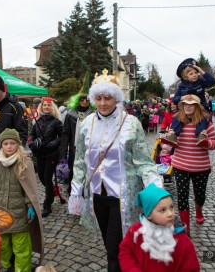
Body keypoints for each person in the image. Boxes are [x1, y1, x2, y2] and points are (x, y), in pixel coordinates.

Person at [69, 69, 162, 272]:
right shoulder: (86, 124)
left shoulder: (131, 124)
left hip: (122, 196)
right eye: (99, 98)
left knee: (114, 250)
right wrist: (75, 191)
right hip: (96, 195)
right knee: (109, 244)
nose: (103, 103)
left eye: (108, 98)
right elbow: (79, 162)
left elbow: (143, 161)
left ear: (116, 98)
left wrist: (155, 189)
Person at [0, 128, 44, 272]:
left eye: (12, 143)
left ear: (18, 144)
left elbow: (28, 189)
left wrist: (30, 205)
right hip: (0, 213)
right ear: (1, 145)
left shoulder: (24, 162)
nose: (9, 146)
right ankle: (7, 265)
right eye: (5, 143)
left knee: (21, 246)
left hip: (19, 213)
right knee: (2, 244)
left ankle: (22, 269)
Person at [167, 94, 215, 236]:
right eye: (185, 104)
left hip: (200, 167)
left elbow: (214, 143)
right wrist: (169, 140)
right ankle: (186, 228)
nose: (188, 106)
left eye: (191, 104)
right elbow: (171, 139)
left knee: (200, 195)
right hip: (180, 165)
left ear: (197, 106)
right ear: (182, 106)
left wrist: (206, 143)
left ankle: (199, 210)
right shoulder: (176, 122)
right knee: (182, 196)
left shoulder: (206, 123)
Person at [119, 184, 200, 271]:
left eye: (171, 207)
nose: (170, 214)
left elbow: (191, 268)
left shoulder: (182, 240)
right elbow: (126, 251)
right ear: (149, 214)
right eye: (162, 210)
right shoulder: (136, 231)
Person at [0, 75, 27, 190]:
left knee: (4, 190)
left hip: (7, 157)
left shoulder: (14, 106)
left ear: (2, 88)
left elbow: (22, 132)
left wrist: (16, 154)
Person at [165, 58, 215, 147]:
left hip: (201, 108)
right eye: (191, 73)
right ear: (185, 76)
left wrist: (201, 71)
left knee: (204, 118)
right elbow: (175, 100)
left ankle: (201, 136)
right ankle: (173, 135)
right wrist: (182, 97)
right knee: (176, 117)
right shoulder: (181, 86)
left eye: (196, 73)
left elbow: (212, 81)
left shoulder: (201, 82)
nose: (194, 75)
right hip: (186, 110)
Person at [28, 97, 63, 218]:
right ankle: (52, 190)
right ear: (41, 107)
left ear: (52, 107)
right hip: (40, 153)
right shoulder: (38, 120)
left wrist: (53, 143)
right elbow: (32, 134)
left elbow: (61, 137)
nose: (46, 107)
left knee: (47, 178)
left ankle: (47, 204)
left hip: (51, 154)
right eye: (44, 105)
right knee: (41, 176)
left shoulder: (57, 122)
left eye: (49, 105)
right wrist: (32, 143)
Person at [60, 92, 94, 195]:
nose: (84, 102)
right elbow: (66, 133)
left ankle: (87, 191)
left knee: (89, 169)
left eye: (87, 99)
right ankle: (73, 191)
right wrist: (64, 151)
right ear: (77, 101)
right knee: (73, 170)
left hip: (90, 147)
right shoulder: (70, 114)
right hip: (74, 148)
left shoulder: (93, 114)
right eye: (82, 99)